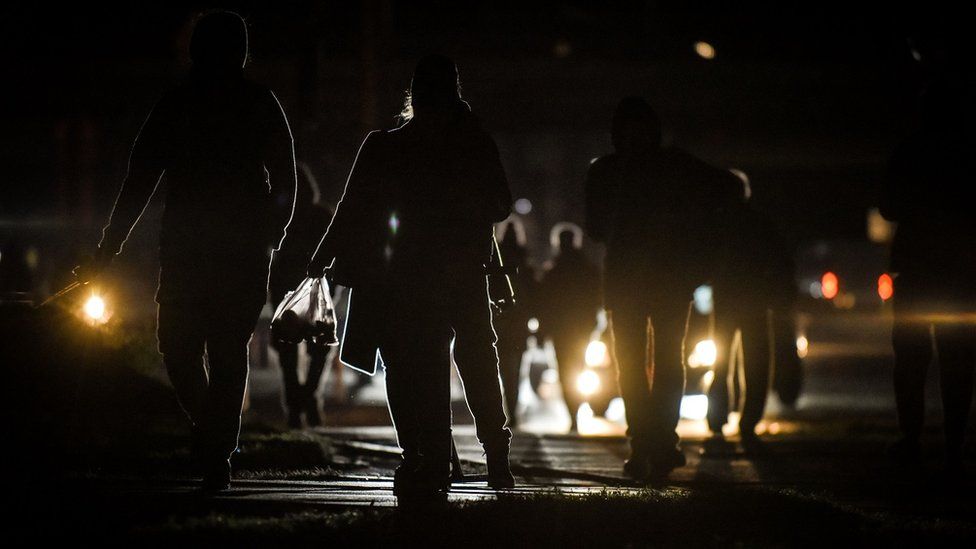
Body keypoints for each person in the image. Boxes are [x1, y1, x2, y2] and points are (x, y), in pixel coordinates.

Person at [78, 11, 296, 491]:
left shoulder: (183, 104)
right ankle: (216, 438)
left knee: (192, 349)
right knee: (210, 351)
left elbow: (139, 180)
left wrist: (109, 245)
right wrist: (271, 232)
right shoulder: (254, 103)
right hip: (224, 249)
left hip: (198, 248)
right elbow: (285, 181)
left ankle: (215, 447)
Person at [308, 55, 514, 499]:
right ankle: (493, 454)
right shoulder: (473, 143)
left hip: (403, 278)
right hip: (461, 271)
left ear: (413, 96)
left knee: (414, 366)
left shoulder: (384, 145)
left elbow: (351, 208)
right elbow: (501, 204)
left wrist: (321, 257)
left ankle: (426, 458)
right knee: (476, 358)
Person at [584, 97, 740, 480]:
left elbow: (595, 228)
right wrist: (697, 237)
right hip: (671, 279)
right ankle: (661, 443)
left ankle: (643, 444)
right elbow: (731, 187)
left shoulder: (606, 170)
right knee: (669, 361)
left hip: (625, 280)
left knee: (634, 366)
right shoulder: (676, 165)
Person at [880, 59, 975, 473]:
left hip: (917, 271)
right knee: (958, 362)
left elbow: (888, 207)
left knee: (911, 361)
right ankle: (955, 444)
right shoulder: (968, 153)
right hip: (960, 273)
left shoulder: (909, 150)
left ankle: (911, 439)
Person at [706, 182, 795, 455]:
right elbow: (780, 258)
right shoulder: (759, 222)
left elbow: (704, 259)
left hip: (725, 300)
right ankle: (748, 424)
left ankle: (717, 420)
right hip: (755, 300)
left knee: (721, 364)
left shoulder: (717, 224)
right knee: (757, 365)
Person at [269, 163, 333, 428]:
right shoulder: (321, 216)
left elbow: (272, 255)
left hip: (286, 293)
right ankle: (310, 398)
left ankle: (296, 407)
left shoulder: (281, 216)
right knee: (319, 350)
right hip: (317, 295)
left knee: (288, 354)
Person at [537, 225, 601, 432]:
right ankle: (576, 408)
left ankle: (573, 412)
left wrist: (543, 330)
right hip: (580, 327)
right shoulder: (586, 268)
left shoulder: (553, 270)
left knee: (565, 370)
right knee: (578, 368)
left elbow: (545, 303)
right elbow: (596, 297)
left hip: (561, 329)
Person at [492, 220, 538, 428]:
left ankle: (506, 410)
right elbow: (533, 295)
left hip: (500, 322)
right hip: (519, 324)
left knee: (501, 369)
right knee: (516, 370)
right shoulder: (524, 261)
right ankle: (513, 409)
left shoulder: (498, 259)